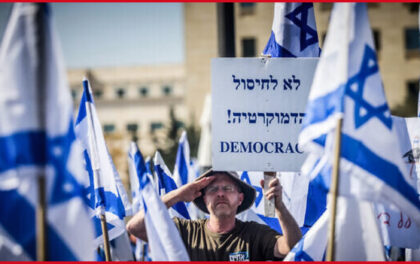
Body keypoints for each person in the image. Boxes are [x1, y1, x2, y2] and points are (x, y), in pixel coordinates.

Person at [127, 169, 302, 261]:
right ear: (202, 198)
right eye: (212, 189)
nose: (220, 194)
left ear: (240, 198)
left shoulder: (255, 234)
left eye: (227, 188)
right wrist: (177, 195)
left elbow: (293, 246)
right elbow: (134, 227)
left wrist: (279, 207)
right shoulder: (185, 231)